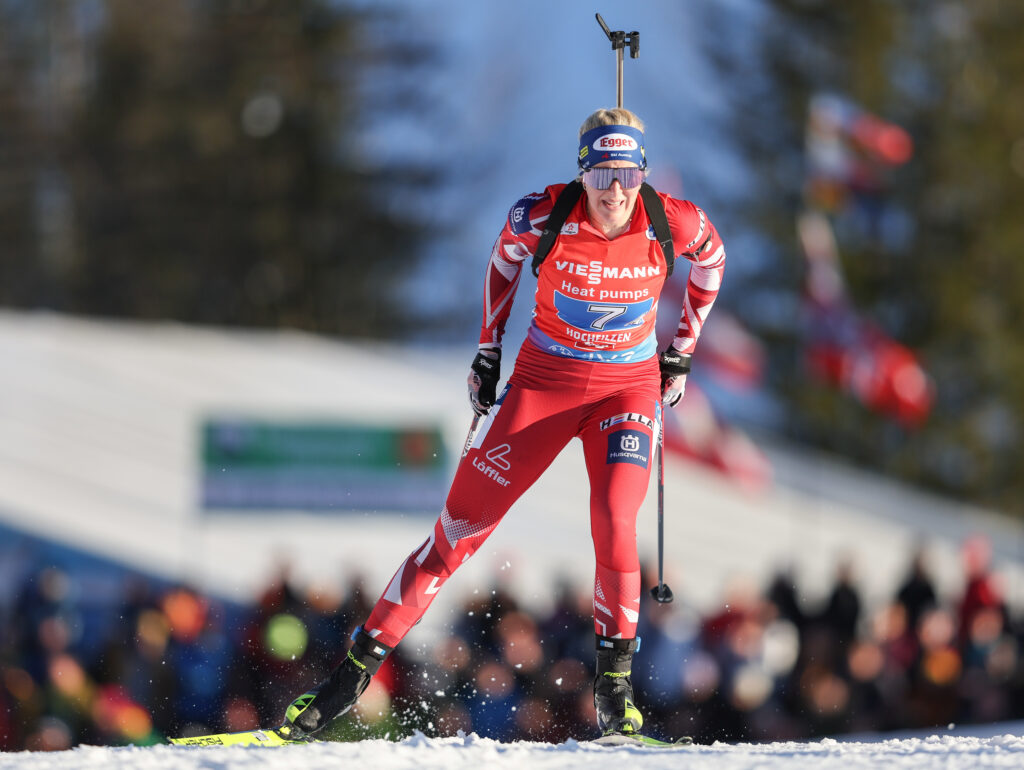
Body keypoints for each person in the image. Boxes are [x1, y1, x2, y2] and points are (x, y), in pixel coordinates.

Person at [280, 107, 726, 740]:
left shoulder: (671, 219)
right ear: (583, 172)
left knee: (614, 519)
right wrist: (488, 349)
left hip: (625, 391)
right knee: (456, 532)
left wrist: (681, 351)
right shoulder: (541, 213)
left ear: (642, 173)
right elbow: (502, 263)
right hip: (544, 387)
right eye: (602, 172)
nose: (615, 190)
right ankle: (346, 683)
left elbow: (713, 263)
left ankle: (615, 693)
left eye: (627, 173)